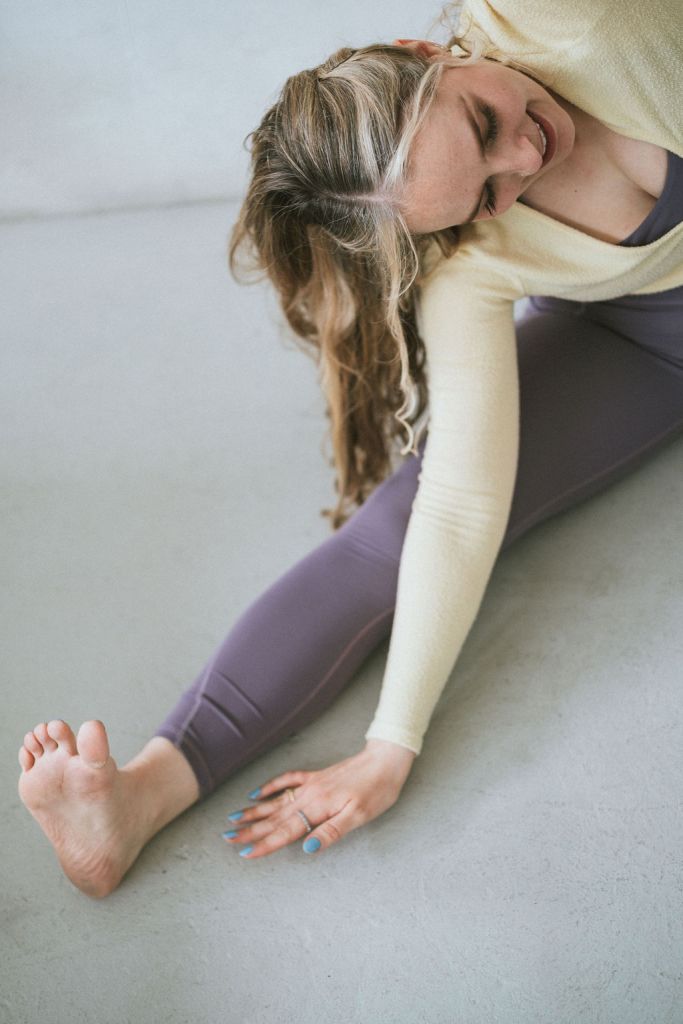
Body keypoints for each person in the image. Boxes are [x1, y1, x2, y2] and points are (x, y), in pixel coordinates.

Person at [17, 0, 683, 899]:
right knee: (401, 525)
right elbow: (458, 510)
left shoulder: (570, 20)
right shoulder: (469, 264)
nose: (524, 159)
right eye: (486, 191)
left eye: (483, 122)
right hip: (644, 339)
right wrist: (388, 745)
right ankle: (139, 796)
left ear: (425, 52)